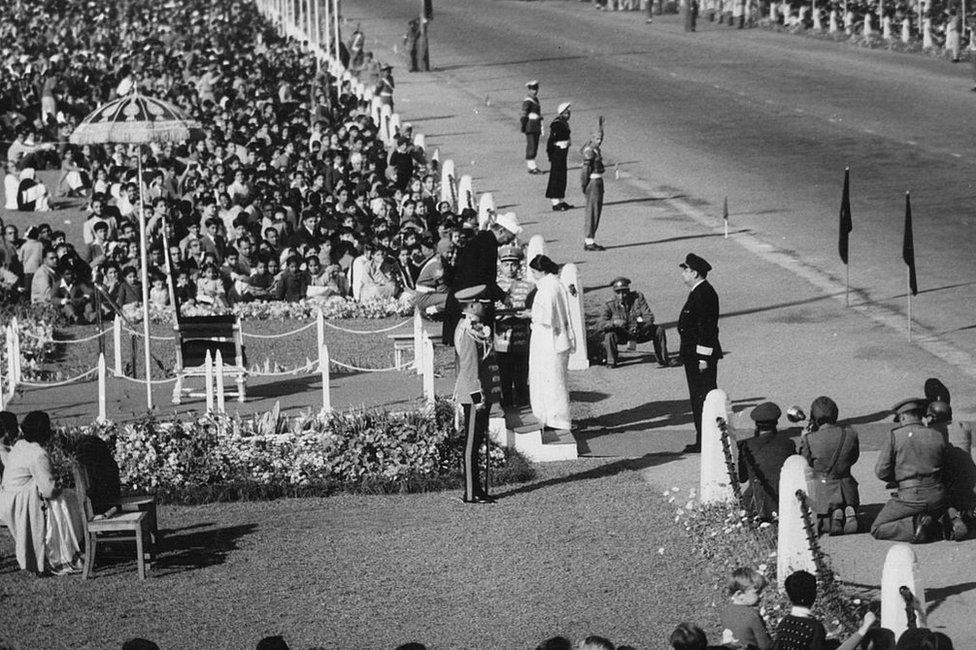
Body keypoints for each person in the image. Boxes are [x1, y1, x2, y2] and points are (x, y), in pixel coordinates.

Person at [0, 411, 82, 575]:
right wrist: (60, 486)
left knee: (66, 497)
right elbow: (49, 490)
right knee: (65, 501)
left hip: (8, 498)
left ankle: (71, 547)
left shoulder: (19, 446)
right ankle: (63, 554)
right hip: (21, 502)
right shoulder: (38, 454)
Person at [871, 398, 950, 543]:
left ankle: (916, 525)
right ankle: (941, 521)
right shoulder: (937, 435)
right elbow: (946, 467)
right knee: (932, 506)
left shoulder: (895, 436)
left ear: (903, 416)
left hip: (910, 497)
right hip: (937, 496)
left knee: (878, 527)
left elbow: (881, 472)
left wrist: (900, 477)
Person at [453, 286, 502, 504]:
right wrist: (478, 397)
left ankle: (477, 489)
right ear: (472, 304)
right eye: (482, 302)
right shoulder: (467, 330)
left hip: (482, 394)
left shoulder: (475, 327)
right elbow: (469, 367)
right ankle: (471, 492)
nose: (486, 305)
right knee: (472, 443)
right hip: (474, 396)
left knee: (477, 441)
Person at [442, 213, 522, 345]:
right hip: (468, 302)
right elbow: (485, 279)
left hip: (464, 298)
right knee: (470, 348)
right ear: (501, 231)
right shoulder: (486, 245)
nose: (509, 242)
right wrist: (502, 296)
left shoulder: (483, 240)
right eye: (509, 237)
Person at [676, 253, 722, 453]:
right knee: (698, 398)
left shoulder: (704, 293)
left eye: (685, 270)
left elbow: (706, 328)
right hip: (693, 356)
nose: (683, 274)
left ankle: (705, 440)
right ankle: (703, 438)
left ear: (694, 273)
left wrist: (703, 358)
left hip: (699, 358)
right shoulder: (698, 291)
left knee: (702, 399)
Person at [799, 396, 861, 536]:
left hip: (824, 490)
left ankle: (834, 515)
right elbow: (854, 458)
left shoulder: (810, 439)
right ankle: (847, 511)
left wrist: (804, 439)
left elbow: (805, 464)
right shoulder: (850, 434)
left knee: (821, 522)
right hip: (848, 487)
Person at [528, 254, 574, 431]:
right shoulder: (554, 284)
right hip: (553, 339)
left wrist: (530, 315)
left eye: (534, 272)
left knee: (552, 380)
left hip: (549, 340)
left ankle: (556, 419)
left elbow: (547, 317)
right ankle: (549, 416)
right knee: (552, 379)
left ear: (542, 271)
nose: (533, 275)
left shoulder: (548, 288)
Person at [738, 402, 796, 522]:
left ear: (756, 425)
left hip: (755, 503)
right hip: (781, 501)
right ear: (776, 423)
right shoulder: (788, 444)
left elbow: (742, 478)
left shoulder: (745, 445)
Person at [599, 276, 671, 369]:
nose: (621, 295)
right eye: (618, 292)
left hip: (640, 332)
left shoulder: (638, 298)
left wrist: (642, 325)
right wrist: (615, 322)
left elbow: (649, 316)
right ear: (614, 293)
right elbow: (600, 324)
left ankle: (663, 359)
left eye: (624, 292)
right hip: (622, 334)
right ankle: (611, 361)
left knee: (659, 330)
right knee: (609, 335)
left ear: (628, 290)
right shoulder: (609, 304)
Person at [926, 400, 972, 541]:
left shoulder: (933, 433)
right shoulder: (962, 426)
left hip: (947, 485)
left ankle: (952, 517)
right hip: (970, 480)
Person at [495, 244, 532, 408]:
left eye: (513, 264)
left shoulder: (528, 286)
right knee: (504, 376)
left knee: (521, 376)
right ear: (501, 266)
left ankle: (523, 404)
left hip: (521, 339)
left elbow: (532, 309)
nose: (510, 268)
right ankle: (507, 406)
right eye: (506, 264)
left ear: (518, 266)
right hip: (501, 339)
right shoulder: (495, 287)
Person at [720, 567, 772, 649]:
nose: (761, 595)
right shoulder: (752, 615)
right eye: (757, 592)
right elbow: (766, 646)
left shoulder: (725, 612)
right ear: (740, 594)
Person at [580, 118, 606, 251]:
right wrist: (584, 186)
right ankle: (589, 241)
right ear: (592, 137)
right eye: (597, 138)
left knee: (596, 211)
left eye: (601, 137)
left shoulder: (596, 149)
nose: (599, 140)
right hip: (593, 183)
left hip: (598, 183)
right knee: (592, 212)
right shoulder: (590, 151)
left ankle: (591, 239)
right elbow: (585, 171)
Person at [545, 102, 573, 211]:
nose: (568, 115)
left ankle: (561, 200)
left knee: (562, 176)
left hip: (563, 152)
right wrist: (551, 155)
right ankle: (555, 202)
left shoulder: (564, 123)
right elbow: (551, 141)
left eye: (569, 113)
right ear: (561, 113)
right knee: (556, 177)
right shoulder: (557, 124)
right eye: (566, 113)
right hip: (557, 152)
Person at [521, 80, 544, 175]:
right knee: (532, 145)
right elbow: (524, 114)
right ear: (529, 90)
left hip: (536, 125)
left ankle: (532, 165)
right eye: (533, 89)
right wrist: (523, 125)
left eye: (536, 89)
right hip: (530, 125)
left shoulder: (535, 99)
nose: (535, 91)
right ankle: (532, 166)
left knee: (535, 145)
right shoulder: (528, 101)